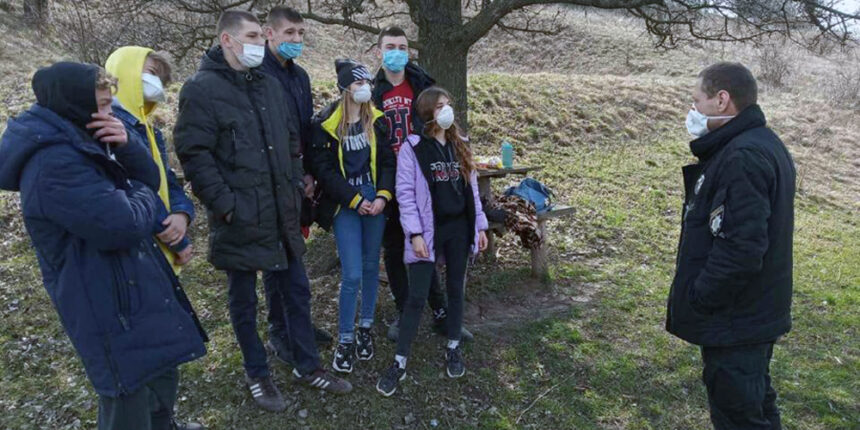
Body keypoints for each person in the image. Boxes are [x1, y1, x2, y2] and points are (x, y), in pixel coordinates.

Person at [0, 62, 207, 430]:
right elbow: (122, 224)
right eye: (104, 106)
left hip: (131, 282)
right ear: (76, 106)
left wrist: (129, 147)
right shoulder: (54, 163)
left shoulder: (87, 141)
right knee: (128, 393)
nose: (112, 115)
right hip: (104, 298)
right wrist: (139, 195)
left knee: (160, 372)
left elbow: (146, 181)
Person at [173, 10, 352, 413]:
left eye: (259, 36)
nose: (258, 43)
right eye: (251, 36)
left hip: (280, 210)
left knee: (296, 289)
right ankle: (258, 374)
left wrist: (293, 185)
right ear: (227, 41)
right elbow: (194, 155)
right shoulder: (201, 89)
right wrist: (226, 205)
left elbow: (290, 141)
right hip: (239, 215)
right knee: (244, 300)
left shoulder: (269, 86)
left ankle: (308, 365)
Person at [666, 62, 795, 430]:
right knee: (755, 407)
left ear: (722, 100)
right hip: (750, 316)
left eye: (697, 101)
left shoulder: (742, 156)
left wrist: (702, 297)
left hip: (737, 319)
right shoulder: (760, 144)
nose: (692, 112)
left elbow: (741, 249)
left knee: (739, 416)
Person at [376, 87, 488, 397]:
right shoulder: (414, 148)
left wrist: (479, 226)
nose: (446, 111)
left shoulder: (459, 144)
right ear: (427, 112)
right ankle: (399, 361)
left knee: (455, 288)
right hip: (427, 231)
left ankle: (453, 346)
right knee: (417, 296)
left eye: (448, 105)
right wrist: (414, 234)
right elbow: (406, 195)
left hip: (458, 228)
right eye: (440, 106)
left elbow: (473, 191)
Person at [371, 26, 473, 343]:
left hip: (425, 178)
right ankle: (406, 312)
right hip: (388, 179)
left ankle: (441, 312)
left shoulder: (421, 86)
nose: (397, 52)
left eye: (402, 46)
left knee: (427, 242)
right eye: (390, 46)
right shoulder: (371, 92)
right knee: (395, 247)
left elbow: (442, 124)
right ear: (379, 51)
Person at [310, 59, 395, 373]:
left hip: (376, 202)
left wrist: (384, 196)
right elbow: (324, 171)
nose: (365, 89)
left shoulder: (379, 121)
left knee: (373, 267)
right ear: (345, 89)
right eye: (358, 84)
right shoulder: (325, 125)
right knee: (353, 274)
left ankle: (365, 328)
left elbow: (387, 162)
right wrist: (355, 199)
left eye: (367, 83)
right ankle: (345, 337)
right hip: (345, 205)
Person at [259, 5, 333, 367]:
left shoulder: (300, 77)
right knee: (276, 260)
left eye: (301, 34)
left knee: (294, 253)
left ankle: (299, 323)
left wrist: (309, 174)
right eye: (289, 33)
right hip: (272, 181)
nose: (296, 40)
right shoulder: (257, 75)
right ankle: (279, 331)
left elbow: (304, 128)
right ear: (269, 33)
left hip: (300, 178)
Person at [105, 47, 195, 271]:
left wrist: (182, 213)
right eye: (151, 72)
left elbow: (167, 178)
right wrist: (175, 238)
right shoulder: (111, 128)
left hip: (158, 240)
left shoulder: (148, 129)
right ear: (125, 70)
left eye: (161, 80)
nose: (157, 83)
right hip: (137, 244)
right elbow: (132, 185)